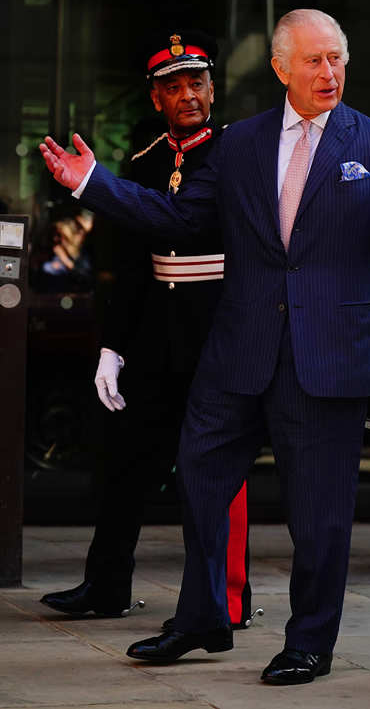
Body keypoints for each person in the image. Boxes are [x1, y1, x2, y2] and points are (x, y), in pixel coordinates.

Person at [40, 8, 370, 684]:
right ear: (280, 68)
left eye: (337, 59)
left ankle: (310, 641)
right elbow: (179, 216)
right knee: (200, 470)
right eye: (314, 60)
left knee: (319, 511)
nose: (328, 72)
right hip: (240, 343)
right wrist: (94, 185)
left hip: (326, 354)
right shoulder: (241, 142)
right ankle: (203, 616)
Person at [40, 31, 256, 631]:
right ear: (155, 98)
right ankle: (105, 585)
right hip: (157, 336)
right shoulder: (143, 160)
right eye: (173, 87)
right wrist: (113, 346)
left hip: (220, 329)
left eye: (197, 83)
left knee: (218, 473)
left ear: (212, 89)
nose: (188, 95)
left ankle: (227, 602)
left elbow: (215, 235)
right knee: (122, 460)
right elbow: (131, 267)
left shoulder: (239, 153)